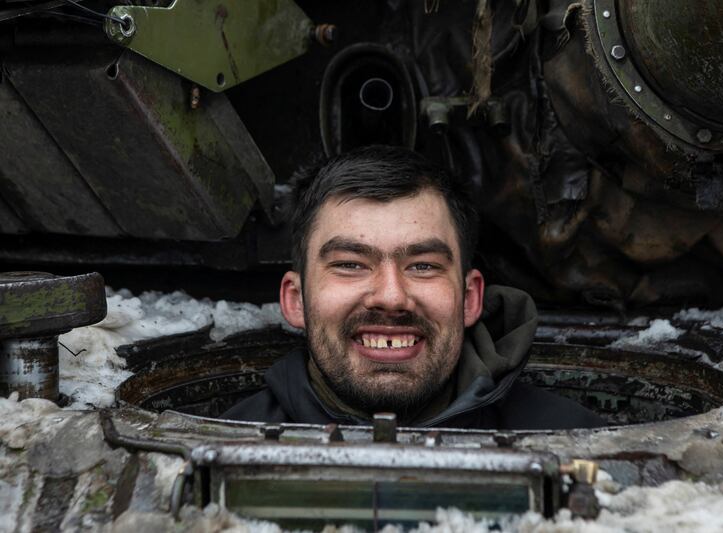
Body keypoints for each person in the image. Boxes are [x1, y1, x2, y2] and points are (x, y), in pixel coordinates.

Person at [223, 145, 603, 429]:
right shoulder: (216, 447)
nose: (391, 296)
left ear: (470, 299)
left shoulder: (579, 446)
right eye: (351, 265)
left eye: (422, 266)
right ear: (296, 300)